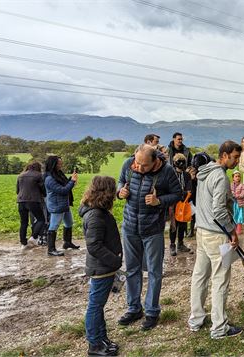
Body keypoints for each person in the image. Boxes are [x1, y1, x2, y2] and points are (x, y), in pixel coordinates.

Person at [116, 144, 182, 330]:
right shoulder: (129, 164)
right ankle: (134, 308)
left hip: (153, 229)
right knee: (132, 270)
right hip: (130, 227)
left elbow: (178, 194)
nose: (138, 168)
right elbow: (120, 182)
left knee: (154, 271)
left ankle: (152, 311)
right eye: (137, 163)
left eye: (144, 165)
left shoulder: (167, 171)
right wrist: (120, 192)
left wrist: (159, 201)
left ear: (155, 161)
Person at [188, 140, 244, 339]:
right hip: (216, 233)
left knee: (200, 276)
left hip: (201, 231)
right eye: (235, 157)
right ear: (225, 155)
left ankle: (196, 319)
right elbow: (219, 210)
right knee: (220, 280)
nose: (237, 162)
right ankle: (219, 327)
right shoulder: (220, 176)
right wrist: (232, 232)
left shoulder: (204, 172)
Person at [79, 176, 122, 357]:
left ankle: (102, 338)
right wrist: (115, 261)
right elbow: (94, 246)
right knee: (95, 307)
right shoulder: (96, 215)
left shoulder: (97, 210)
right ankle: (95, 345)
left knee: (99, 305)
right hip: (102, 269)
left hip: (104, 268)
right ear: (107, 192)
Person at [44, 155, 79, 257]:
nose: (61, 165)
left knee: (69, 223)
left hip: (64, 203)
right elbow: (62, 190)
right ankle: (51, 249)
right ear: (53, 164)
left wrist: (71, 180)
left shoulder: (58, 174)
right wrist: (72, 181)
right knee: (54, 226)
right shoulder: (49, 178)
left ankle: (67, 243)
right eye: (59, 163)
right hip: (56, 205)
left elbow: (64, 185)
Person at [16, 161, 45, 248]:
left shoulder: (20, 175)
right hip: (33, 200)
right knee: (41, 219)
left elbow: (17, 190)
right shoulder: (39, 175)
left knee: (23, 222)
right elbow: (43, 189)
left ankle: (23, 243)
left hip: (21, 201)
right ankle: (34, 237)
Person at [169, 153, 193, 256]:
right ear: (174, 163)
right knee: (174, 224)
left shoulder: (186, 175)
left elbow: (189, 189)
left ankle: (180, 243)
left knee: (183, 223)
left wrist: (183, 193)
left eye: (183, 161)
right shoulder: (171, 174)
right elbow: (170, 188)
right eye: (179, 161)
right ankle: (172, 244)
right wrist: (181, 193)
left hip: (184, 202)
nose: (181, 164)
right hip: (173, 203)